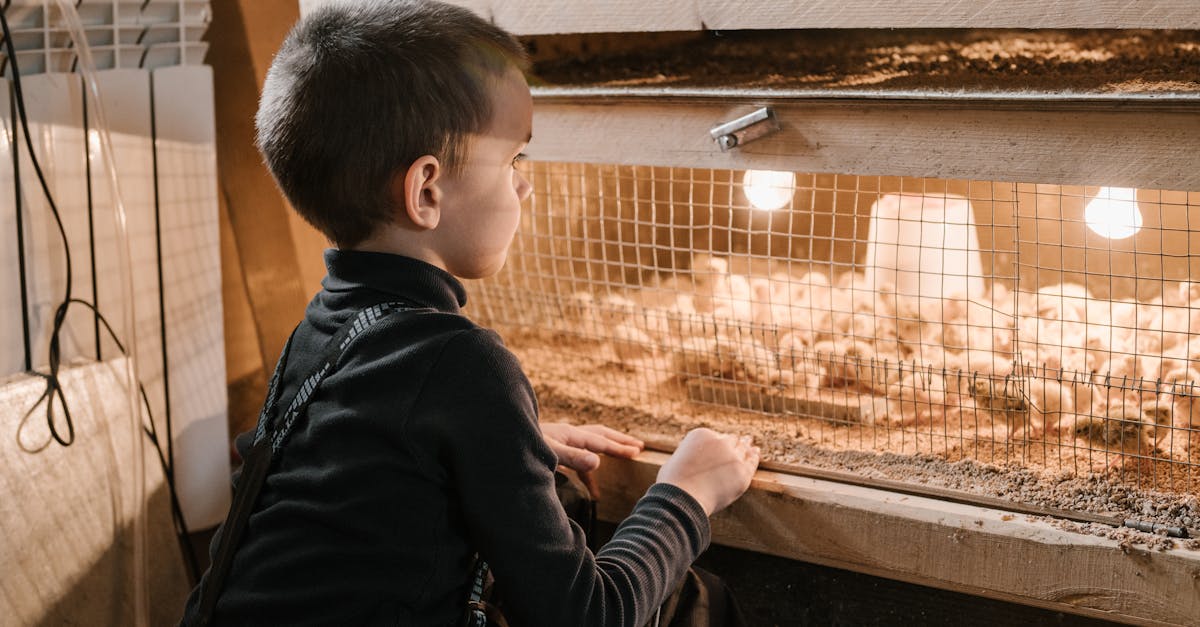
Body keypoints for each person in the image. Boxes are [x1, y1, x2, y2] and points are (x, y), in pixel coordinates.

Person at [179, 0, 760, 625]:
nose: (525, 184)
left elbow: (366, 470)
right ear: (427, 191)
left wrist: (508, 443)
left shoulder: (321, 326)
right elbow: (588, 616)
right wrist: (686, 493)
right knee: (701, 604)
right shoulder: (465, 363)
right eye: (513, 160)